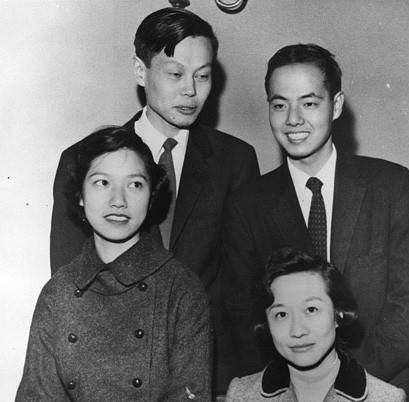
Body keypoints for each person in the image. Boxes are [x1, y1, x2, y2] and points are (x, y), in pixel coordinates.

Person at [50, 7, 259, 394]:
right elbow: (69, 284)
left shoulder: (235, 161)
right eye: (175, 74)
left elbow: (242, 289)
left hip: (206, 370)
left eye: (203, 76)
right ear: (140, 70)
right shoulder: (82, 160)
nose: (191, 91)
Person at [222, 43, 409, 398]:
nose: (293, 119)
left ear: (335, 106)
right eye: (279, 105)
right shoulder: (246, 205)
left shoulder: (389, 185)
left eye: (308, 103)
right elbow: (242, 316)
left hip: (380, 386)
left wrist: (347, 384)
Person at [17, 127, 211, 401]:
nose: (118, 201)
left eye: (135, 185)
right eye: (102, 183)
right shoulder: (58, 292)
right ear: (80, 195)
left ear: (151, 196)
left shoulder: (181, 289)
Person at [225, 248, 406, 401]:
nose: (297, 331)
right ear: (266, 324)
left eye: (311, 310)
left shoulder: (386, 398)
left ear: (338, 314)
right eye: (281, 314)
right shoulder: (241, 395)